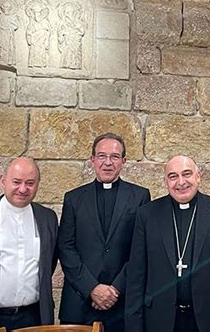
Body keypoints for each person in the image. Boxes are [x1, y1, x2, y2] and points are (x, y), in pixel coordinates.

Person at [125, 155, 210, 332]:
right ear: (166, 181)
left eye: (187, 174)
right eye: (173, 176)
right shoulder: (147, 215)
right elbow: (136, 277)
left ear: (198, 176)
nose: (181, 182)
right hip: (159, 319)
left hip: (207, 317)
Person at [57, 133, 151, 332]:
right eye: (101, 156)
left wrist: (115, 289)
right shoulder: (73, 198)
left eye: (115, 157)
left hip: (122, 302)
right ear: (92, 160)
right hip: (80, 301)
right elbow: (65, 247)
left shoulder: (140, 197)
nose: (108, 162)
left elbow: (141, 250)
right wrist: (92, 288)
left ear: (123, 161)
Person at [0, 157, 58, 331]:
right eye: (16, 182)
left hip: (33, 317)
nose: (23, 189)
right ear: (3, 181)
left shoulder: (47, 218)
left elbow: (49, 264)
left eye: (30, 183)